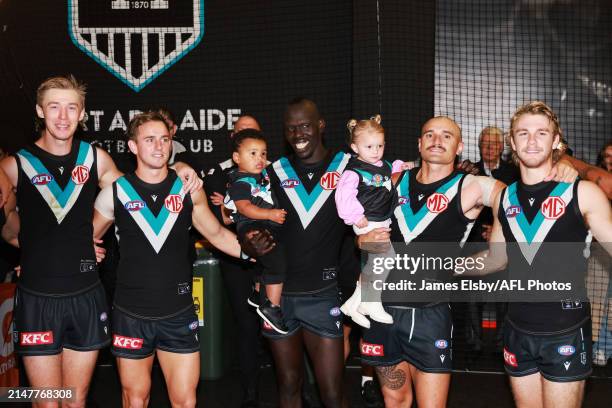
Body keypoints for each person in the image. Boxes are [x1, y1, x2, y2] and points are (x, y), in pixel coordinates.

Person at [0, 75, 201, 408]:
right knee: (48, 402)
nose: (63, 117)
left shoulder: (96, 159)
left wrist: (178, 165)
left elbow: (143, 189)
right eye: (54, 107)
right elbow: (9, 230)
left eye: (71, 107)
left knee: (75, 400)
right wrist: (40, 249)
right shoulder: (15, 165)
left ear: (82, 114)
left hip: (86, 297)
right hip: (37, 298)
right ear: (39, 111)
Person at [355, 115, 578, 408]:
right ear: (419, 144)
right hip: (380, 311)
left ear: (459, 147)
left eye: (447, 136)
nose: (437, 140)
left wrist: (562, 162)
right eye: (430, 134)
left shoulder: (473, 186)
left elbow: (519, 197)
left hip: (430, 317)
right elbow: (359, 223)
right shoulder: (394, 180)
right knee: (394, 399)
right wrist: (362, 239)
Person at [91, 111, 256, 408]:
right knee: (135, 399)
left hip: (178, 314)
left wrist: (254, 253)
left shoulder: (188, 189)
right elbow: (86, 237)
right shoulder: (114, 193)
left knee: (185, 402)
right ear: (133, 147)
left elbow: (217, 234)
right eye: (150, 140)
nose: (159, 147)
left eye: (165, 139)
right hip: (131, 315)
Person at [466, 101, 612, 408]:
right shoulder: (504, 198)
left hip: (566, 330)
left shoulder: (581, 192)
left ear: (556, 140)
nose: (532, 141)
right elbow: (497, 258)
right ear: (512, 143)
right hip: (517, 328)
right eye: (523, 133)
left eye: (541, 133)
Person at [246, 98, 350, 407]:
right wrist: (251, 242)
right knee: (289, 385)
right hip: (279, 300)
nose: (298, 134)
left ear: (320, 125)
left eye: (304, 126)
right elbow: (248, 224)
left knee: (332, 392)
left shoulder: (347, 167)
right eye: (290, 129)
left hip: (323, 295)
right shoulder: (273, 171)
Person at [202, 114, 264, 407]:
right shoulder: (217, 174)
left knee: (284, 322)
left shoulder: (275, 172)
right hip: (236, 259)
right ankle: (250, 390)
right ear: (233, 143)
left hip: (272, 258)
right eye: (241, 132)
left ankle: (298, 389)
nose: (246, 135)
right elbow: (218, 223)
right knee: (246, 323)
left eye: (252, 132)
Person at [335, 115, 404, 328]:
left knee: (380, 261)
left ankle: (354, 303)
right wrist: (355, 216)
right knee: (384, 258)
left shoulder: (382, 164)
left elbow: (392, 173)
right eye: (369, 146)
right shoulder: (354, 171)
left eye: (380, 145)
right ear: (355, 147)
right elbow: (342, 196)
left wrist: (402, 166)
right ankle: (371, 303)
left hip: (381, 218)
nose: (375, 150)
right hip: (367, 220)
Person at [224, 129, 289, 333]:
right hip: (251, 226)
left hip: (261, 225)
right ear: (236, 158)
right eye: (252, 153)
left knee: (265, 260)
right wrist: (269, 215)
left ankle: (256, 293)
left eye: (263, 153)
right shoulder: (242, 181)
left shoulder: (259, 177)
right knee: (277, 261)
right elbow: (244, 208)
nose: (259, 158)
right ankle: (272, 307)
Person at [465, 126, 520, 351]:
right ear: (479, 146)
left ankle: (501, 342)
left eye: (494, 144)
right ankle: (472, 342)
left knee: (503, 296)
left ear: (501, 147)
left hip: (504, 244)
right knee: (471, 296)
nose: (489, 148)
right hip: (474, 243)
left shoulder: (513, 173)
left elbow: (517, 206)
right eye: (485, 143)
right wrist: (482, 232)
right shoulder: (468, 172)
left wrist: (498, 233)